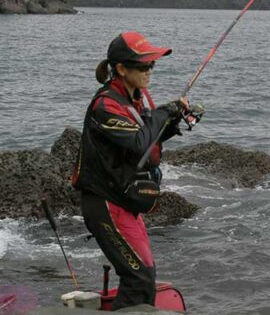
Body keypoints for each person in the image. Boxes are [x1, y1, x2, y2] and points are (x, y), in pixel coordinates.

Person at [71, 31, 189, 310]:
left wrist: (173, 121)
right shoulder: (106, 105)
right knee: (138, 278)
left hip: (123, 201)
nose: (150, 71)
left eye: (152, 65)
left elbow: (144, 143)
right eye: (143, 65)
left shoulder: (133, 100)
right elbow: (138, 142)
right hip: (105, 203)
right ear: (121, 69)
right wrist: (163, 112)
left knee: (144, 275)